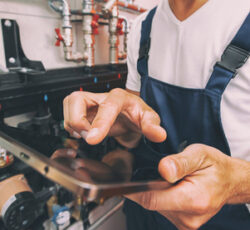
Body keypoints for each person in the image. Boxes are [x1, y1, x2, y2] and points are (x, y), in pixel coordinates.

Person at [63, 0, 250, 229]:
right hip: (147, 212)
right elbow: (137, 123)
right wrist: (111, 118)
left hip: (229, 218)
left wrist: (238, 183)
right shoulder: (143, 26)